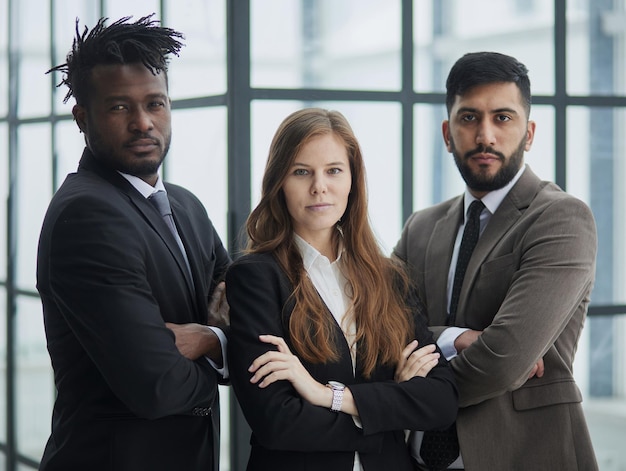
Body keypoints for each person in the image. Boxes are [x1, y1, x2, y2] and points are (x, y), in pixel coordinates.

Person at [36, 15, 230, 471]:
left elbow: (257, 309)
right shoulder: (86, 215)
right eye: (120, 107)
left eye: (155, 103)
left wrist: (210, 339)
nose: (144, 123)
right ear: (83, 118)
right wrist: (234, 347)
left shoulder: (186, 206)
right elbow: (157, 385)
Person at [394, 51, 599, 470]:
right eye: (469, 118)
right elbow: (375, 329)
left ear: (529, 133)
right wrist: (454, 337)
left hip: (524, 456)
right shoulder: (421, 226)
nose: (485, 135)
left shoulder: (561, 218)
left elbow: (505, 358)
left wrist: (406, 386)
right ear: (447, 133)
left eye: (503, 118)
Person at [225, 108, 458, 471]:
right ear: (279, 183)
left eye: (334, 170)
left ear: (352, 180)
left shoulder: (389, 278)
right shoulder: (255, 278)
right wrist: (391, 408)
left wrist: (326, 395)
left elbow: (441, 401)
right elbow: (279, 422)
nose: (320, 186)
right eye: (301, 172)